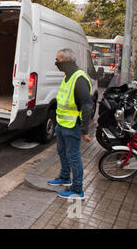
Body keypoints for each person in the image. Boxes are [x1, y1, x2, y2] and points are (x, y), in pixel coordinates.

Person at [48, 48, 93, 199]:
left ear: (67, 61)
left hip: (73, 126)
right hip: (62, 124)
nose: (56, 63)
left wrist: (85, 130)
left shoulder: (79, 79)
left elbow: (87, 105)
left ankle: (77, 190)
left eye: (58, 60)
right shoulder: (68, 76)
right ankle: (65, 177)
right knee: (62, 151)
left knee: (74, 157)